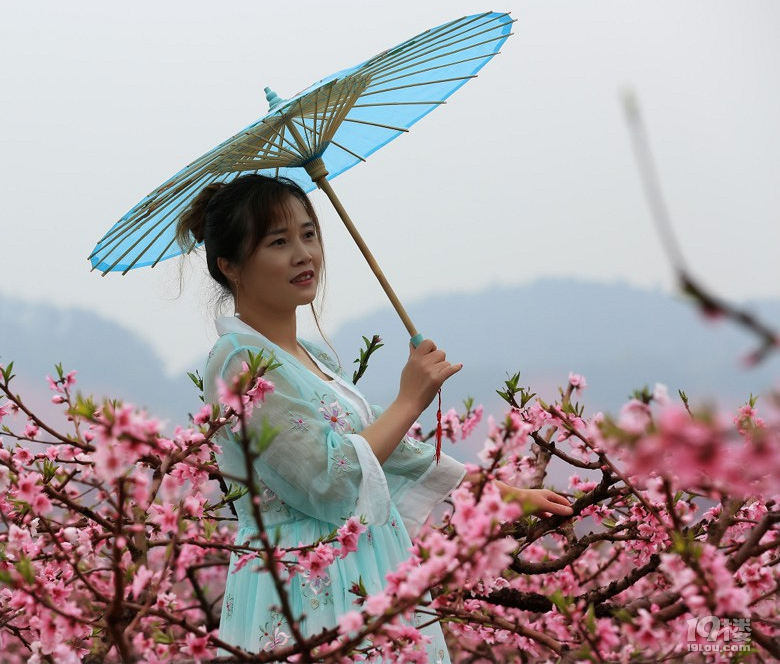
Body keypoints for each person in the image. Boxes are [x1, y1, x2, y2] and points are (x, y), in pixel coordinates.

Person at [177, 174, 573, 660]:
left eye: (309, 234)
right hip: (305, 579)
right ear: (230, 266)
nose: (304, 254)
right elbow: (330, 480)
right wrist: (410, 401)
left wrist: (499, 495)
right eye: (279, 242)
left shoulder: (311, 357)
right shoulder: (241, 359)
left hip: (364, 563)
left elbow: (392, 453)